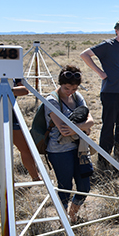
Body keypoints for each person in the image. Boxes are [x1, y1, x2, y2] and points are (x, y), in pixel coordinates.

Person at [0, 56, 40, 182]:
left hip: (12, 113)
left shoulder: (12, 71)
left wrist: (4, 90)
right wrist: (11, 91)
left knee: (25, 148)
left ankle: (36, 178)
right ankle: (3, 183)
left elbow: (24, 90)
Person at [80, 20, 119, 169]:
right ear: (116, 30)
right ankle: (103, 161)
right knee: (108, 126)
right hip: (110, 92)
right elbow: (85, 55)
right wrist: (101, 73)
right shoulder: (107, 45)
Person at [45, 65, 94, 223]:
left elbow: (91, 120)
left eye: (74, 87)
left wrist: (78, 128)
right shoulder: (52, 100)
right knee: (65, 187)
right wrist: (83, 128)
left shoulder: (78, 97)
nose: (70, 91)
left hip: (80, 149)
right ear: (60, 83)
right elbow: (64, 131)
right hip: (59, 150)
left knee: (84, 186)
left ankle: (72, 215)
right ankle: (63, 220)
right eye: (67, 87)